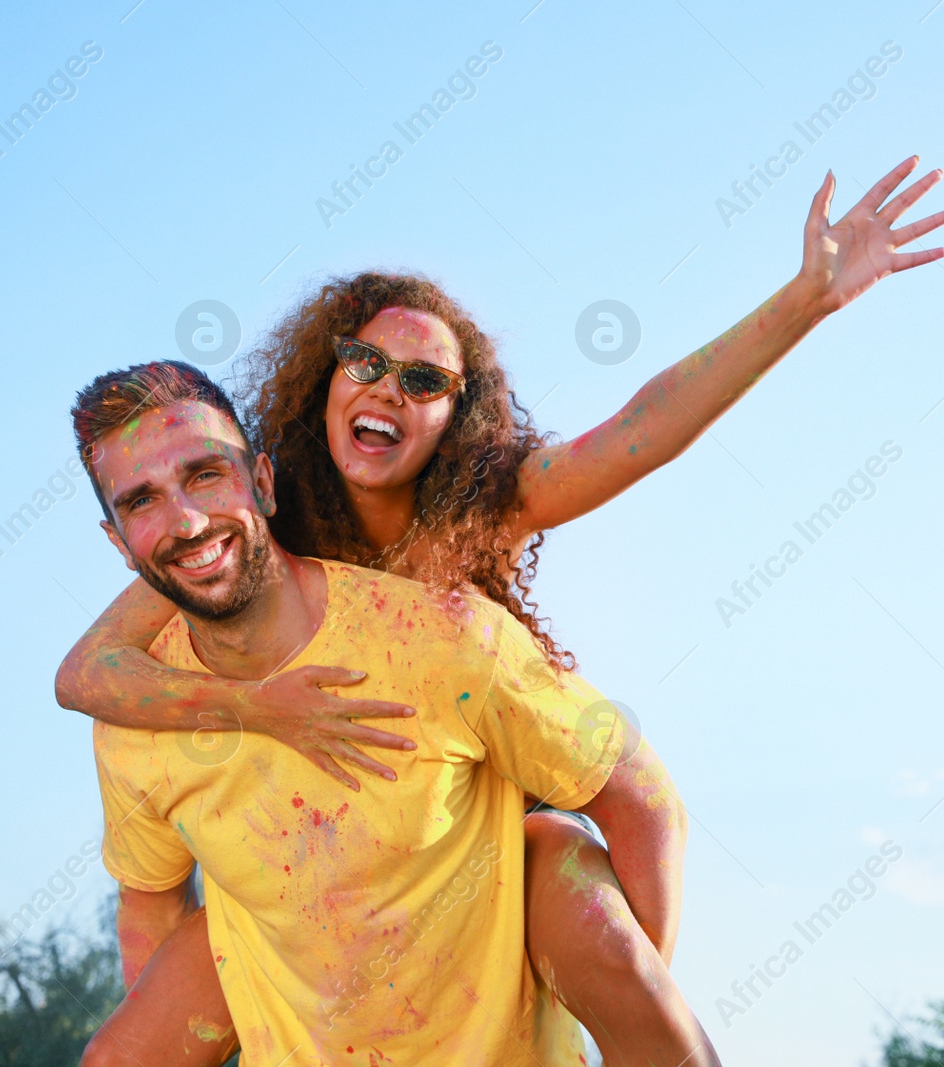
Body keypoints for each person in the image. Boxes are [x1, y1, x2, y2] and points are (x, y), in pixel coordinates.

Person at [59, 157, 944, 1060]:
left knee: (564, 877)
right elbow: (85, 674)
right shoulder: (244, 521)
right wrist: (261, 708)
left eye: (424, 381)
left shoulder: (486, 507)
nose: (385, 388)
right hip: (311, 881)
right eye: (364, 361)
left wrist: (805, 300)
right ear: (321, 379)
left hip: (478, 832)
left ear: (458, 414)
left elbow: (642, 432)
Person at [73, 365, 714, 1065]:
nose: (187, 521)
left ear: (261, 479)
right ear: (115, 541)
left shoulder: (440, 639)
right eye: (142, 500)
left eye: (204, 474)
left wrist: (619, 998)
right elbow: (148, 902)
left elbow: (641, 796)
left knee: (564, 860)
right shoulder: (138, 714)